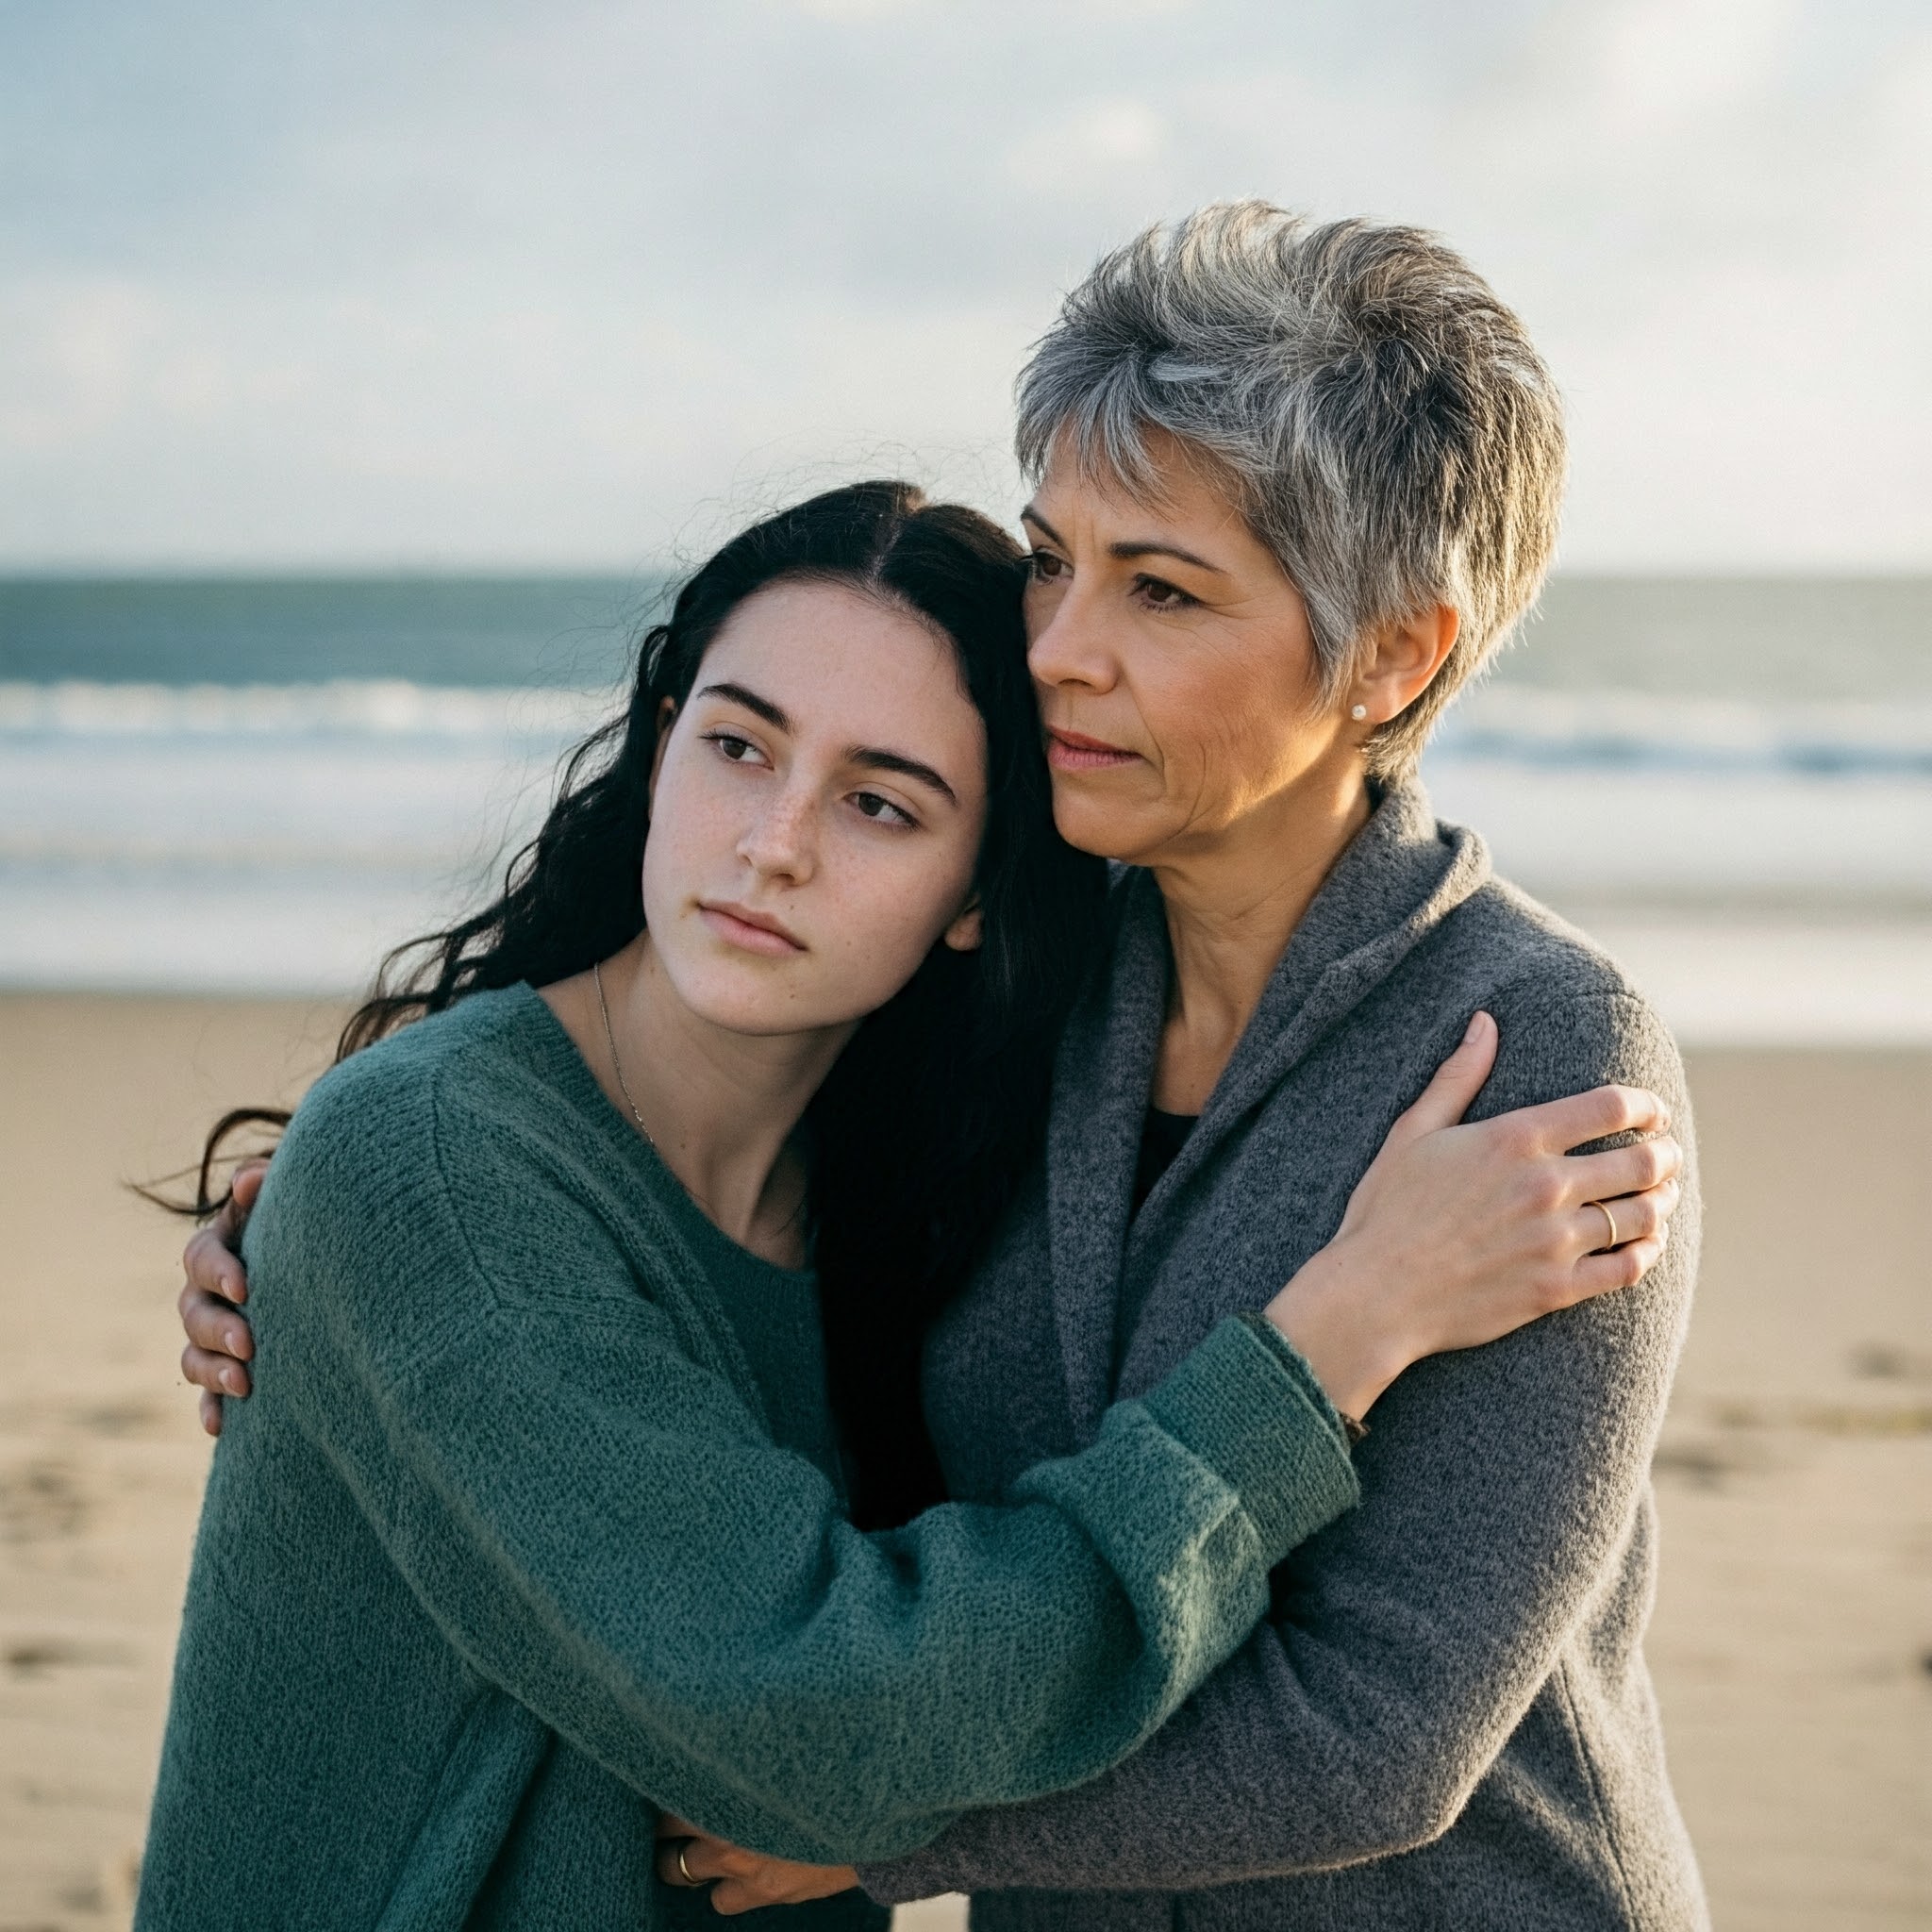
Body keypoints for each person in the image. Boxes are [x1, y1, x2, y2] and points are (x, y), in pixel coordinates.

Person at [146, 478, 1674, 1932]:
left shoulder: (923, 1198)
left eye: (883, 804)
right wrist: (1337, 1332)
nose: (775, 844)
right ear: (663, 739)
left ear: (975, 900)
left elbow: (1366, 1725)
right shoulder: (434, 1165)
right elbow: (814, 1721)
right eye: (740, 747)